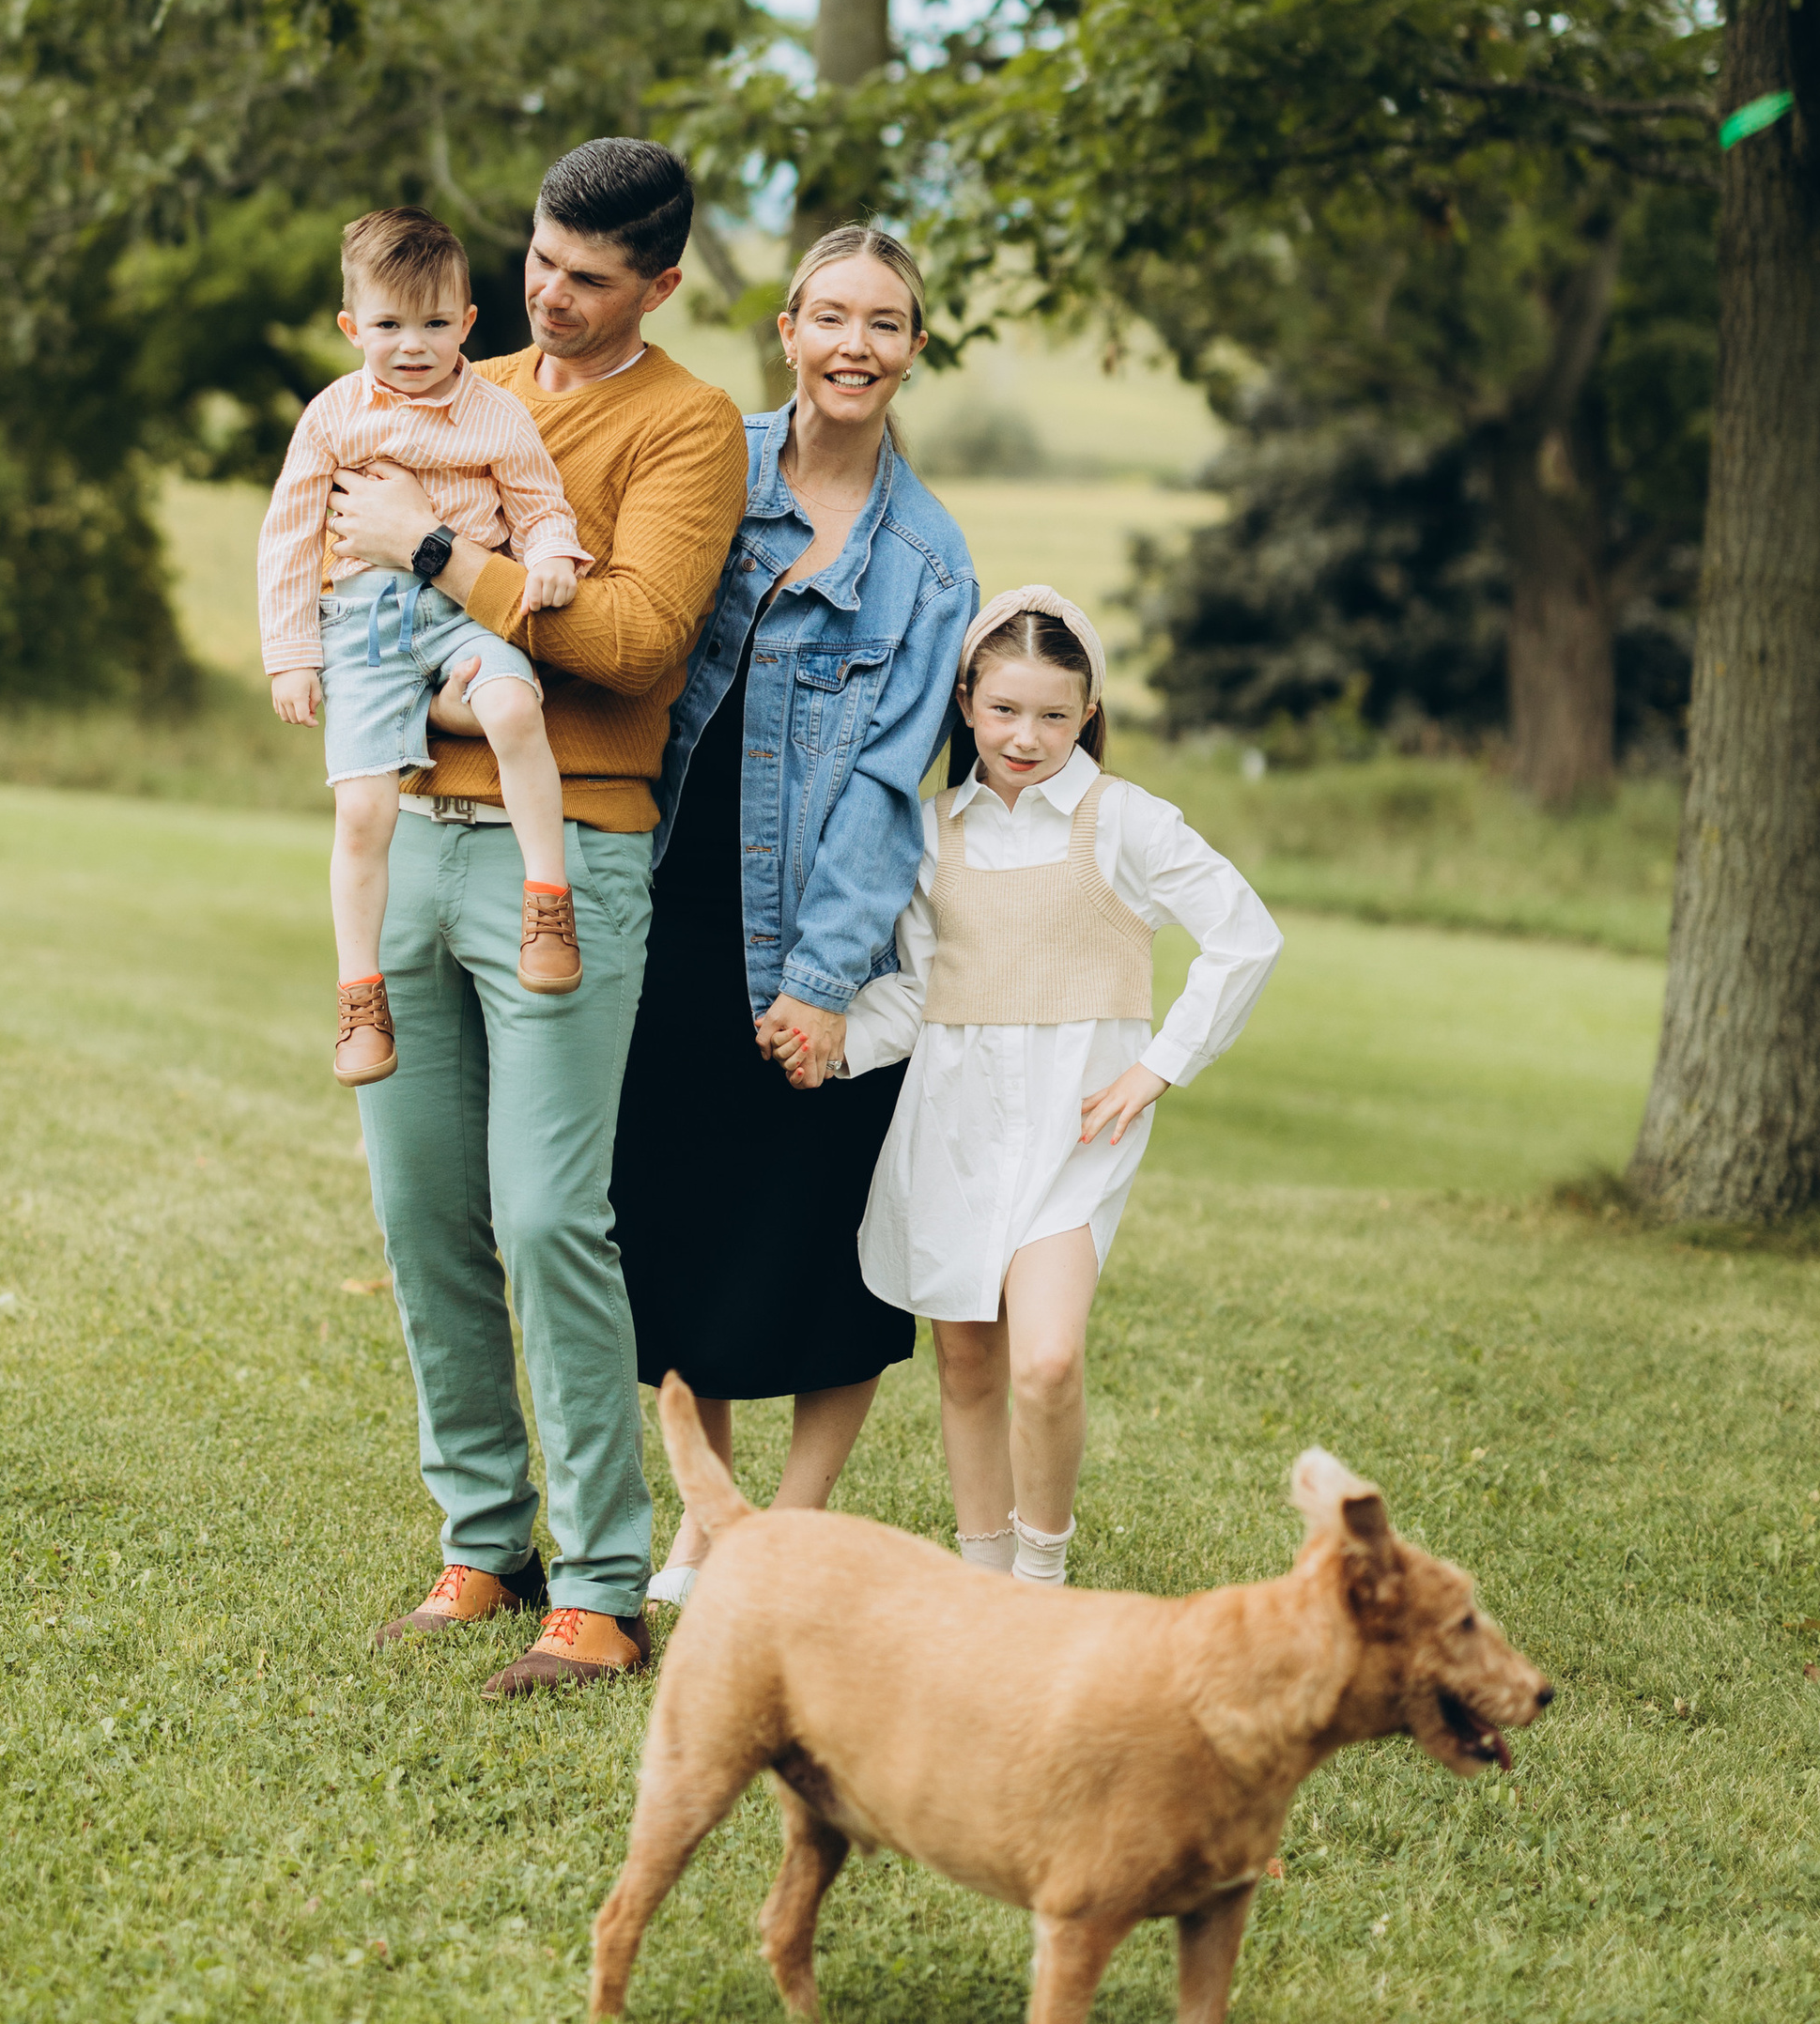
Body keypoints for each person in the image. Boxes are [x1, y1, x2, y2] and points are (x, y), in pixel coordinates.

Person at [323, 140, 748, 1693]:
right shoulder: (454, 383)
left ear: (662, 282)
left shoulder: (692, 427)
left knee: (553, 1216)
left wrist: (438, 555)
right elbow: (330, 541)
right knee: (421, 1209)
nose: (546, 300)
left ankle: (604, 1589)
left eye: (586, 280)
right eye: (539, 263)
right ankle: (483, 1545)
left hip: (568, 849)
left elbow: (636, 641)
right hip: (406, 834)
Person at [611, 224, 976, 1605]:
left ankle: (786, 1533)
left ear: (914, 349)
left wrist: (824, 980)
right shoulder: (710, 463)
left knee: (827, 1242)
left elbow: (890, 789)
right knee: (668, 1218)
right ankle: (703, 1520)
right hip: (663, 899)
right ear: (787, 328)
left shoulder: (931, 568)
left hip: (820, 940)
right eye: (831, 318)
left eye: (885, 324)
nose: (854, 348)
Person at [841, 587, 1282, 1584]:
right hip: (950, 1126)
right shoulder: (931, 831)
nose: (1025, 736)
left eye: (1052, 713)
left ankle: (1039, 1585)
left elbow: (1244, 936)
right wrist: (827, 1045)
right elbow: (915, 997)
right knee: (964, 1362)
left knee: (1043, 1360)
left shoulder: (1124, 821)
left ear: (1088, 711)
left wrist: (1159, 1064)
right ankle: (982, 1583)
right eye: (1003, 710)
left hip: (1073, 1137)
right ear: (964, 702)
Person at [258, 208, 595, 1085]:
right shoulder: (334, 416)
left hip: (462, 618)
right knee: (364, 811)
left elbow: (539, 504)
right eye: (389, 326)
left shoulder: (499, 415)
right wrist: (291, 653)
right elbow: (290, 536)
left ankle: (546, 900)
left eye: (437, 325)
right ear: (351, 327)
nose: (414, 345)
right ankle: (360, 996)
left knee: (517, 706)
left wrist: (554, 553)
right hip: (365, 625)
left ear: (470, 324)